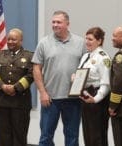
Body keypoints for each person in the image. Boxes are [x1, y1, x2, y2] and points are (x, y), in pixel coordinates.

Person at [32, 10, 86, 146]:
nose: (55, 25)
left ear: (67, 24)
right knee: (45, 136)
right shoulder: (44, 42)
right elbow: (36, 68)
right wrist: (42, 92)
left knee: (72, 136)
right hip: (50, 99)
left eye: (59, 22)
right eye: (53, 22)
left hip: (73, 99)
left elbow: (87, 69)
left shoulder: (81, 43)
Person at [0, 28, 34, 146]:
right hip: (2, 101)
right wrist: (3, 86)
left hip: (20, 102)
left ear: (21, 40)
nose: (10, 41)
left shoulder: (29, 56)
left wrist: (16, 88)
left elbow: (31, 75)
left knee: (20, 134)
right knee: (4, 135)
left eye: (14, 39)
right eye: (9, 39)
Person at [78, 27, 111, 146]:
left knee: (97, 135)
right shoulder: (86, 56)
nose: (87, 41)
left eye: (90, 39)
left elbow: (106, 84)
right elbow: (83, 75)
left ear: (99, 41)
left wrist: (96, 99)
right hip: (86, 96)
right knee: (88, 134)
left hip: (97, 100)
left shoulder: (103, 57)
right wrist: (75, 77)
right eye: (86, 38)